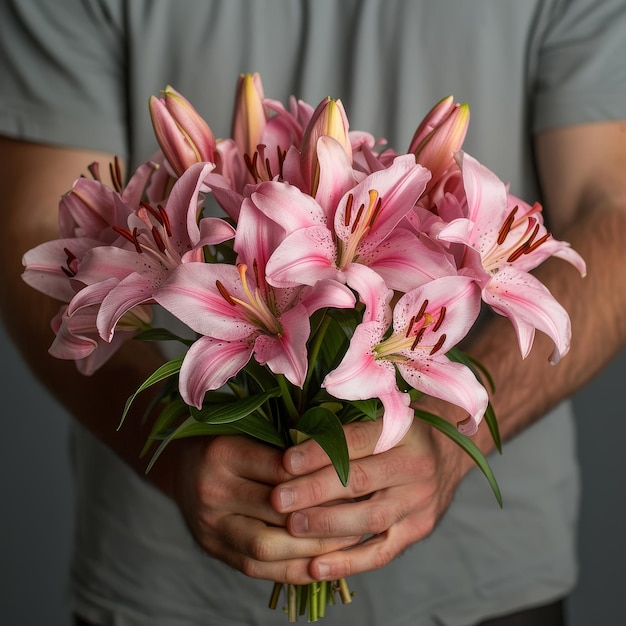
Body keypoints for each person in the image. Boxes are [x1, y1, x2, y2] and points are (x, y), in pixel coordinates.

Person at [1, 1, 625, 625]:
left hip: (486, 580)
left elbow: (615, 213)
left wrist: (454, 437)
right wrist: (163, 448)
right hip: (163, 591)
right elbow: (29, 238)